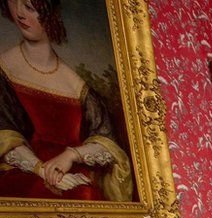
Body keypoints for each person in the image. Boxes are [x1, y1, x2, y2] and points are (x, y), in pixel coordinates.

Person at [0, 0, 132, 201]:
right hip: (25, 177)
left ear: (50, 12)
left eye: (29, 7)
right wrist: (43, 171)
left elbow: (108, 144)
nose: (19, 13)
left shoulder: (80, 88)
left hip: (75, 179)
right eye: (13, 2)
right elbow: (5, 138)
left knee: (86, 194)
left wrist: (71, 155)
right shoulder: (4, 71)